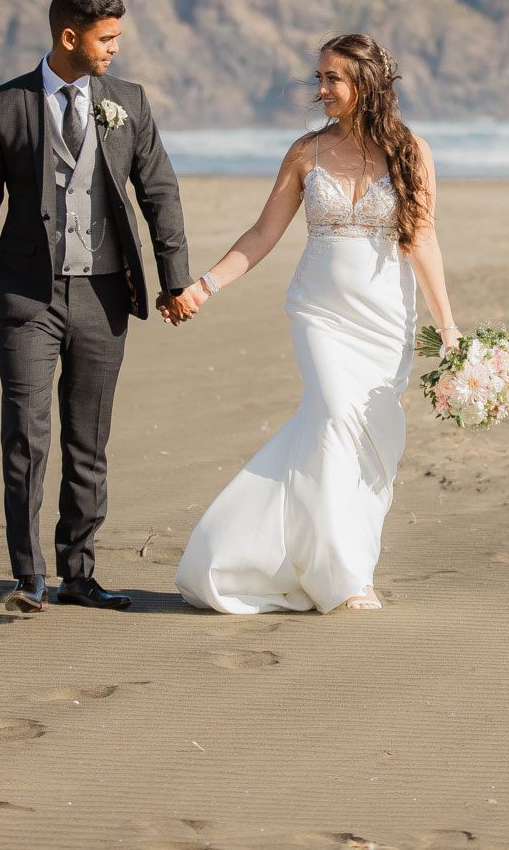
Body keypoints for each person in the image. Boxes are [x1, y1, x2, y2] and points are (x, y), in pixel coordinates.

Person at [172, 33, 457, 613]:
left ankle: (328, 557)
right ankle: (344, 579)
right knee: (331, 417)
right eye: (319, 77)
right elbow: (262, 234)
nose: (320, 89)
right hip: (319, 313)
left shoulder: (411, 152)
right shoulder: (306, 153)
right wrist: (205, 286)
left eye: (334, 79)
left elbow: (423, 243)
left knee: (368, 443)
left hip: (384, 323)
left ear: (368, 85)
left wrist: (448, 328)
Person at [0, 0, 193, 613]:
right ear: (69, 37)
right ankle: (28, 577)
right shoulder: (3, 106)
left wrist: (174, 282)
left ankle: (78, 574)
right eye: (106, 38)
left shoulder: (129, 102)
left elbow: (159, 192)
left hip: (105, 295)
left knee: (88, 439)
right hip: (24, 297)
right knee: (26, 436)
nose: (115, 48)